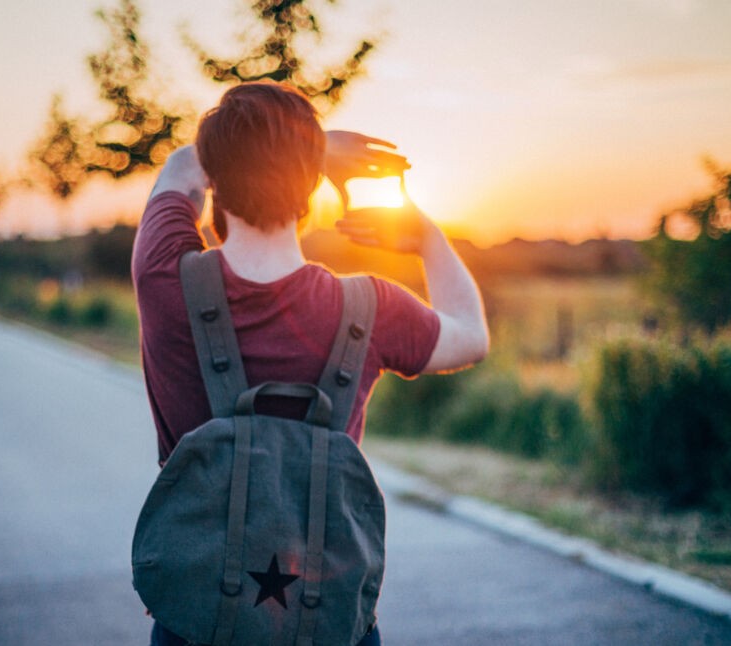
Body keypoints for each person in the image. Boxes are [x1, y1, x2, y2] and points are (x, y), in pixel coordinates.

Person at [131, 81, 489, 646]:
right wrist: (427, 238)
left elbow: (180, 167)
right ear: (309, 190)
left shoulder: (163, 277)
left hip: (195, 622)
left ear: (218, 183)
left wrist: (306, 147)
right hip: (327, 622)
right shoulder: (372, 308)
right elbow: (472, 337)